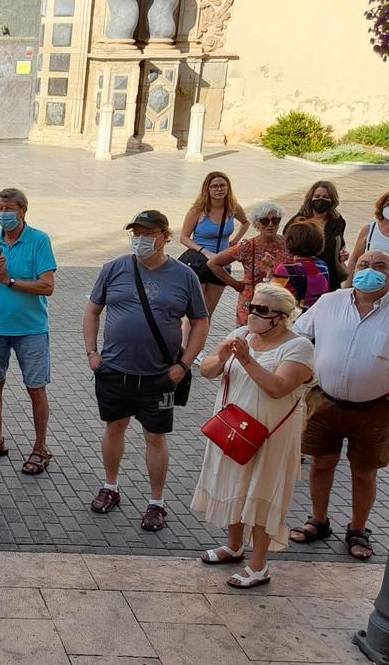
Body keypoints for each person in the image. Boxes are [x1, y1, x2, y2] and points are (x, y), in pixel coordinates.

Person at [83, 210, 209, 532]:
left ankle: (156, 503)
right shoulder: (114, 269)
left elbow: (200, 322)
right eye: (136, 233)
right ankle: (110, 487)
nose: (141, 240)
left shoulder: (184, 276)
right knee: (114, 427)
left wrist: (184, 364)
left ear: (166, 236)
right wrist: (92, 354)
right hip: (114, 370)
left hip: (160, 376)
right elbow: (92, 311)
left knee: (155, 436)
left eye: (148, 233)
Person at [192, 284, 315, 588]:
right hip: (232, 429)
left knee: (262, 492)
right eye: (251, 306)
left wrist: (247, 360)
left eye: (262, 310)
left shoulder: (298, 347)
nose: (253, 314)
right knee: (234, 483)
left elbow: (277, 388)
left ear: (282, 317)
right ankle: (234, 547)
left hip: (271, 436)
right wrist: (221, 354)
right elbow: (207, 371)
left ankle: (258, 565)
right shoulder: (240, 335)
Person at [288, 249, 389, 559]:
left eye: (380, 266)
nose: (370, 270)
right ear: (352, 267)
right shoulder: (330, 302)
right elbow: (298, 335)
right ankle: (318, 520)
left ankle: (358, 529)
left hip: (375, 409)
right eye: (363, 264)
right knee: (320, 464)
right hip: (324, 402)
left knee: (364, 472)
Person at [0, 188, 58, 473]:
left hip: (31, 329)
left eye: (9, 209)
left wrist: (10, 280)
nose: (3, 214)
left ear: (23, 211)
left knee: (35, 388)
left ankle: (40, 447)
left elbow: (47, 286)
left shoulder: (39, 240)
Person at [177, 172, 248, 342]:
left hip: (221, 264)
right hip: (199, 262)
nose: (219, 189)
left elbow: (246, 222)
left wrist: (235, 242)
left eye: (222, 185)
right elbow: (184, 237)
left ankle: (198, 350)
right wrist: (203, 250)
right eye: (214, 186)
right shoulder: (198, 211)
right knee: (194, 312)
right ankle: (183, 348)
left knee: (207, 313)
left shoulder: (233, 208)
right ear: (207, 189)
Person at [207, 201, 289, 326]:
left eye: (275, 220)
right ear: (257, 224)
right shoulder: (248, 246)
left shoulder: (287, 244)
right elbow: (213, 263)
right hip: (252, 304)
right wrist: (236, 285)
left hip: (280, 302)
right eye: (265, 221)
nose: (270, 225)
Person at [284, 180, 347, 291]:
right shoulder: (299, 221)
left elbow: (340, 242)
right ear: (311, 198)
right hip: (303, 276)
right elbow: (287, 245)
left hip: (329, 276)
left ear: (332, 199)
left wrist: (342, 253)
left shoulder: (338, 221)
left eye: (325, 197)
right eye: (317, 196)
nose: (320, 200)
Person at [272, 220, 330, 311]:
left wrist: (268, 274)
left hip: (293, 318)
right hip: (318, 315)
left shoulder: (286, 269)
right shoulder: (322, 266)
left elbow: (271, 296)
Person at [345, 190, 389, 282]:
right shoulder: (370, 229)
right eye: (388, 204)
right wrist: (348, 284)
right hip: (370, 282)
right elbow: (355, 258)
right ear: (382, 206)